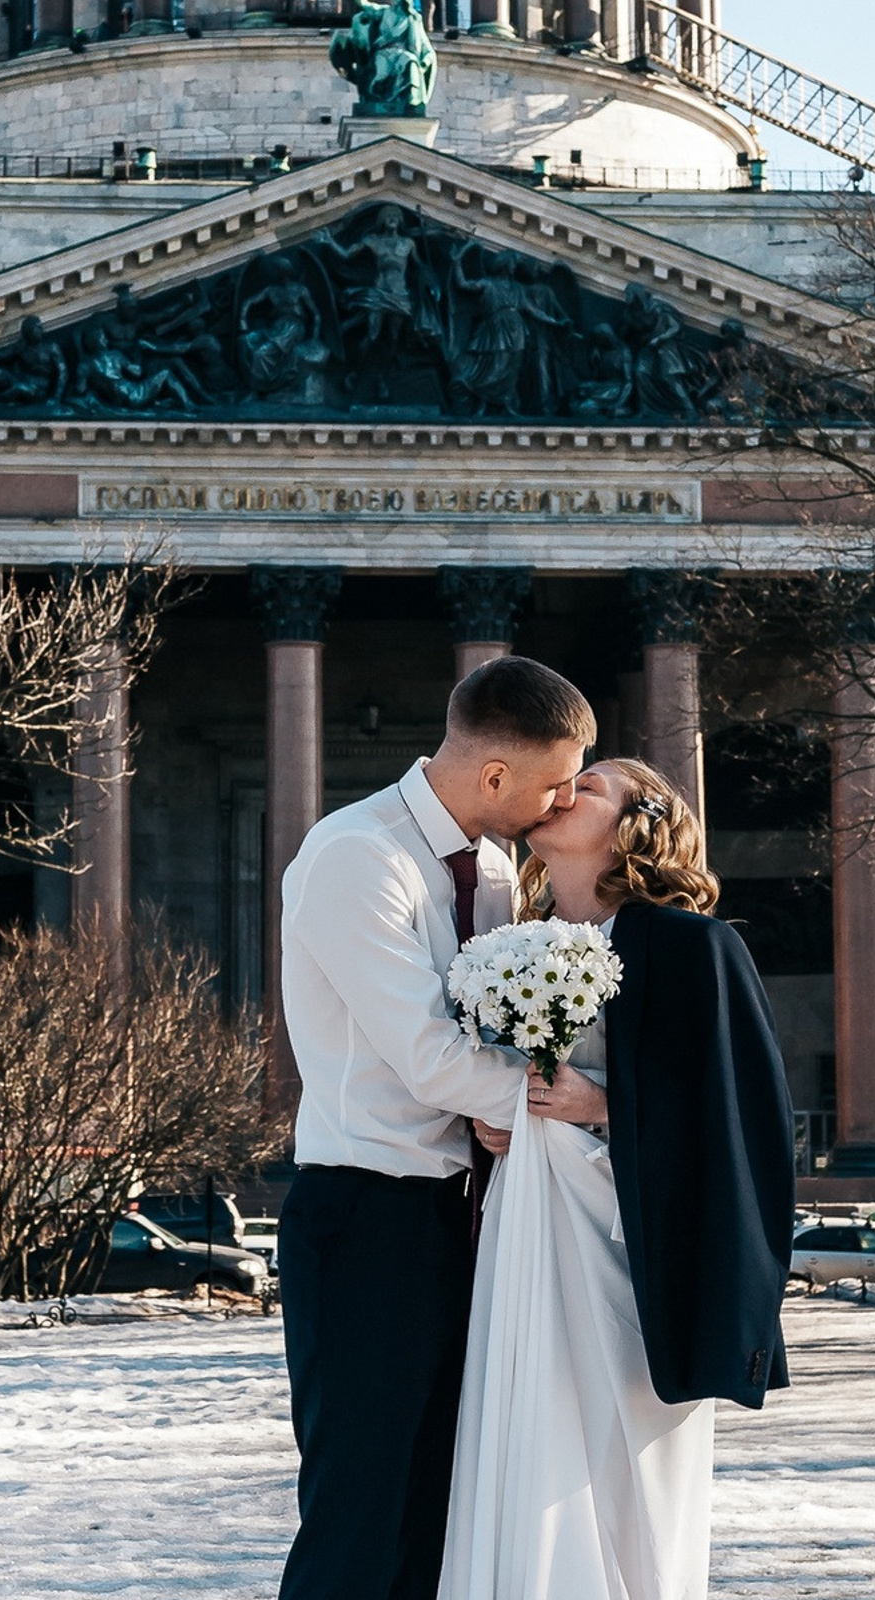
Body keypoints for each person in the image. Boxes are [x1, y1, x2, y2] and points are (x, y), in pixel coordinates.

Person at [276, 656, 601, 1600]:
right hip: (367, 1220)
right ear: (495, 775)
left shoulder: (497, 863)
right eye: (556, 779)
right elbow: (426, 1053)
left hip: (474, 1217)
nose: (567, 797)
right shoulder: (355, 856)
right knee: (359, 1510)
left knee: (442, 1509)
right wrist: (562, 1114)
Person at [439, 758, 796, 1600]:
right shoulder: (501, 951)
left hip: (636, 1268)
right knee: (520, 1444)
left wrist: (604, 1105)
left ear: (641, 822)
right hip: (523, 1236)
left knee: (620, 1477)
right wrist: (488, 1115)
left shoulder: (695, 946)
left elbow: (746, 1120)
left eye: (588, 785)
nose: (561, 791)